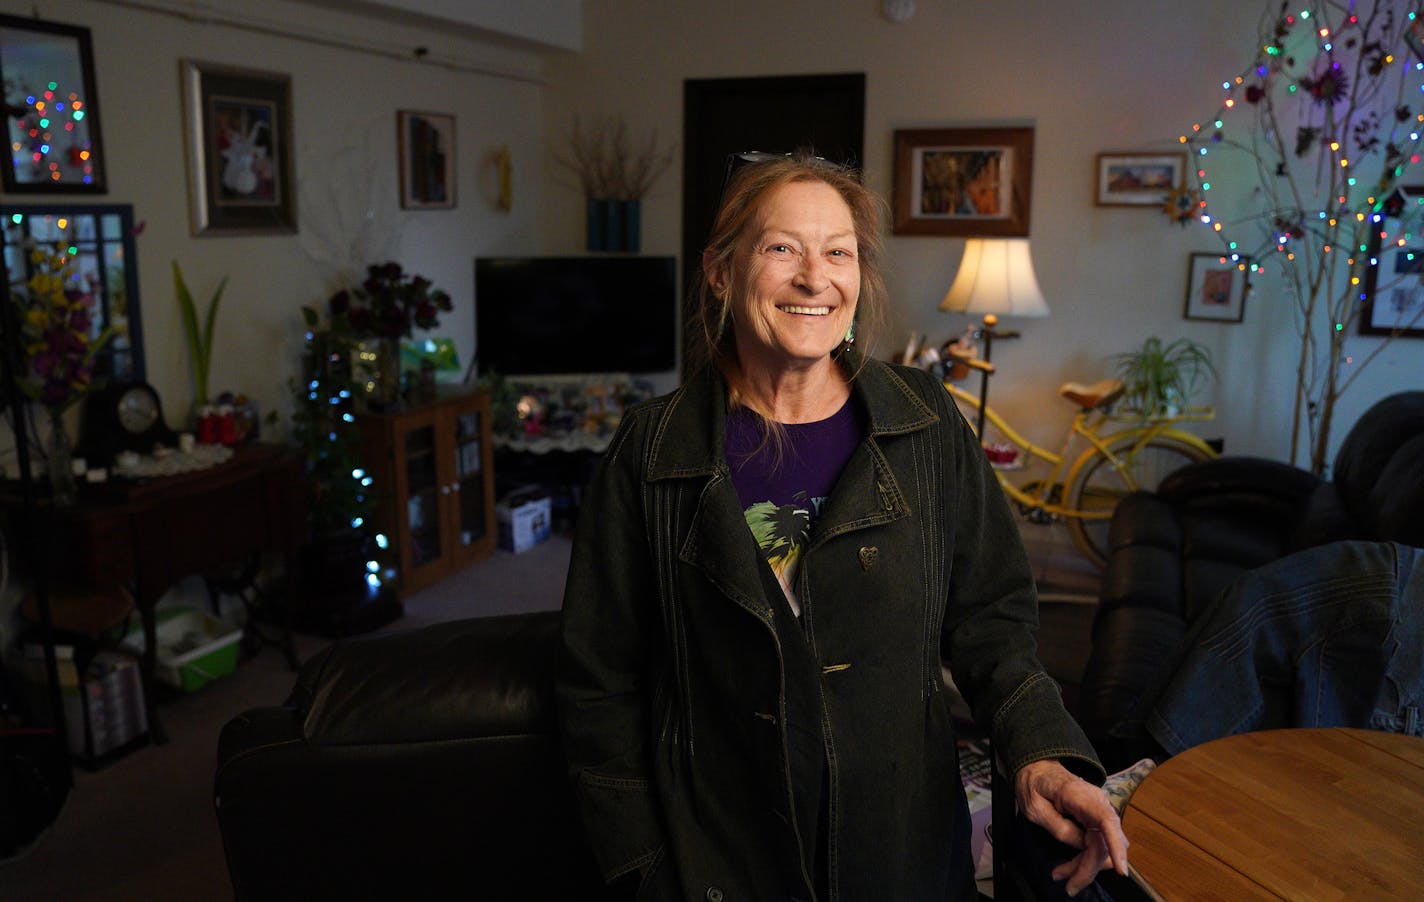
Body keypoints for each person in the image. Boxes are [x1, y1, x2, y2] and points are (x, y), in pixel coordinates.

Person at [556, 151, 1128, 900]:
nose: (814, 277)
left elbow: (992, 624)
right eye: (781, 247)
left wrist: (1042, 754)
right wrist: (640, 865)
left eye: (838, 252)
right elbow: (598, 678)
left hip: (902, 852)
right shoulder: (650, 451)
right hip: (717, 863)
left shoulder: (925, 426)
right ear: (721, 272)